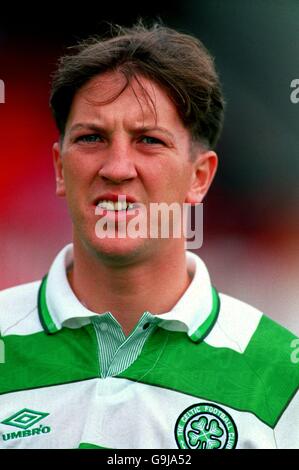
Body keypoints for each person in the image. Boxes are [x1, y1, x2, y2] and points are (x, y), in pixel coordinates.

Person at [0, 20, 298, 450]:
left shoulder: (281, 374)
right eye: (91, 138)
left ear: (200, 177)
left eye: (149, 141)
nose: (117, 167)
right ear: (60, 169)